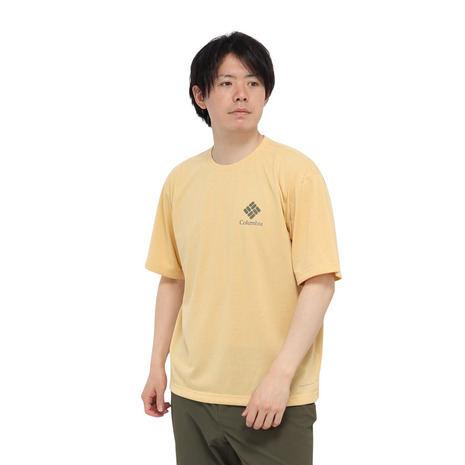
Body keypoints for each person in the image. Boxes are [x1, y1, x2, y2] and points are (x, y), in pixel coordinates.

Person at [141, 31, 341, 465]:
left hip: (273, 398)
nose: (241, 95)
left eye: (253, 83)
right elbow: (173, 279)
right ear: (200, 95)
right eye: (227, 82)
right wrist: (157, 365)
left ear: (266, 94)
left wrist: (281, 376)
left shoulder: (296, 173)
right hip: (192, 396)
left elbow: (320, 282)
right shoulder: (180, 180)